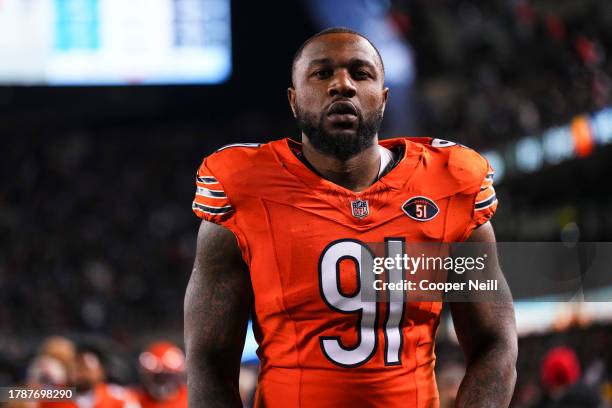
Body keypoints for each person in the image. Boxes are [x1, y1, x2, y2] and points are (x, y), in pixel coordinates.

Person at [184, 27, 518, 407]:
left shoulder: (449, 182)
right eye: (321, 73)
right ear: (293, 100)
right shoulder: (244, 187)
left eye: (360, 73)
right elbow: (208, 360)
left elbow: (496, 343)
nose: (342, 85)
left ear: (384, 98)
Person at [135, 341, 188, 408]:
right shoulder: (132, 401)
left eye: (167, 376)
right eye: (157, 377)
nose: (162, 382)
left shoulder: (194, 399)